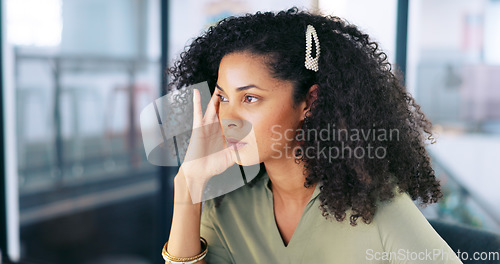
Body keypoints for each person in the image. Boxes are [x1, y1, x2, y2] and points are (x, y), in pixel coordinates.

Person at [161, 7, 463, 264]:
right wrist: (188, 184)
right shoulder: (227, 206)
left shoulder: (378, 210)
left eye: (250, 98)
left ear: (310, 102)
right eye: (223, 97)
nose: (228, 119)